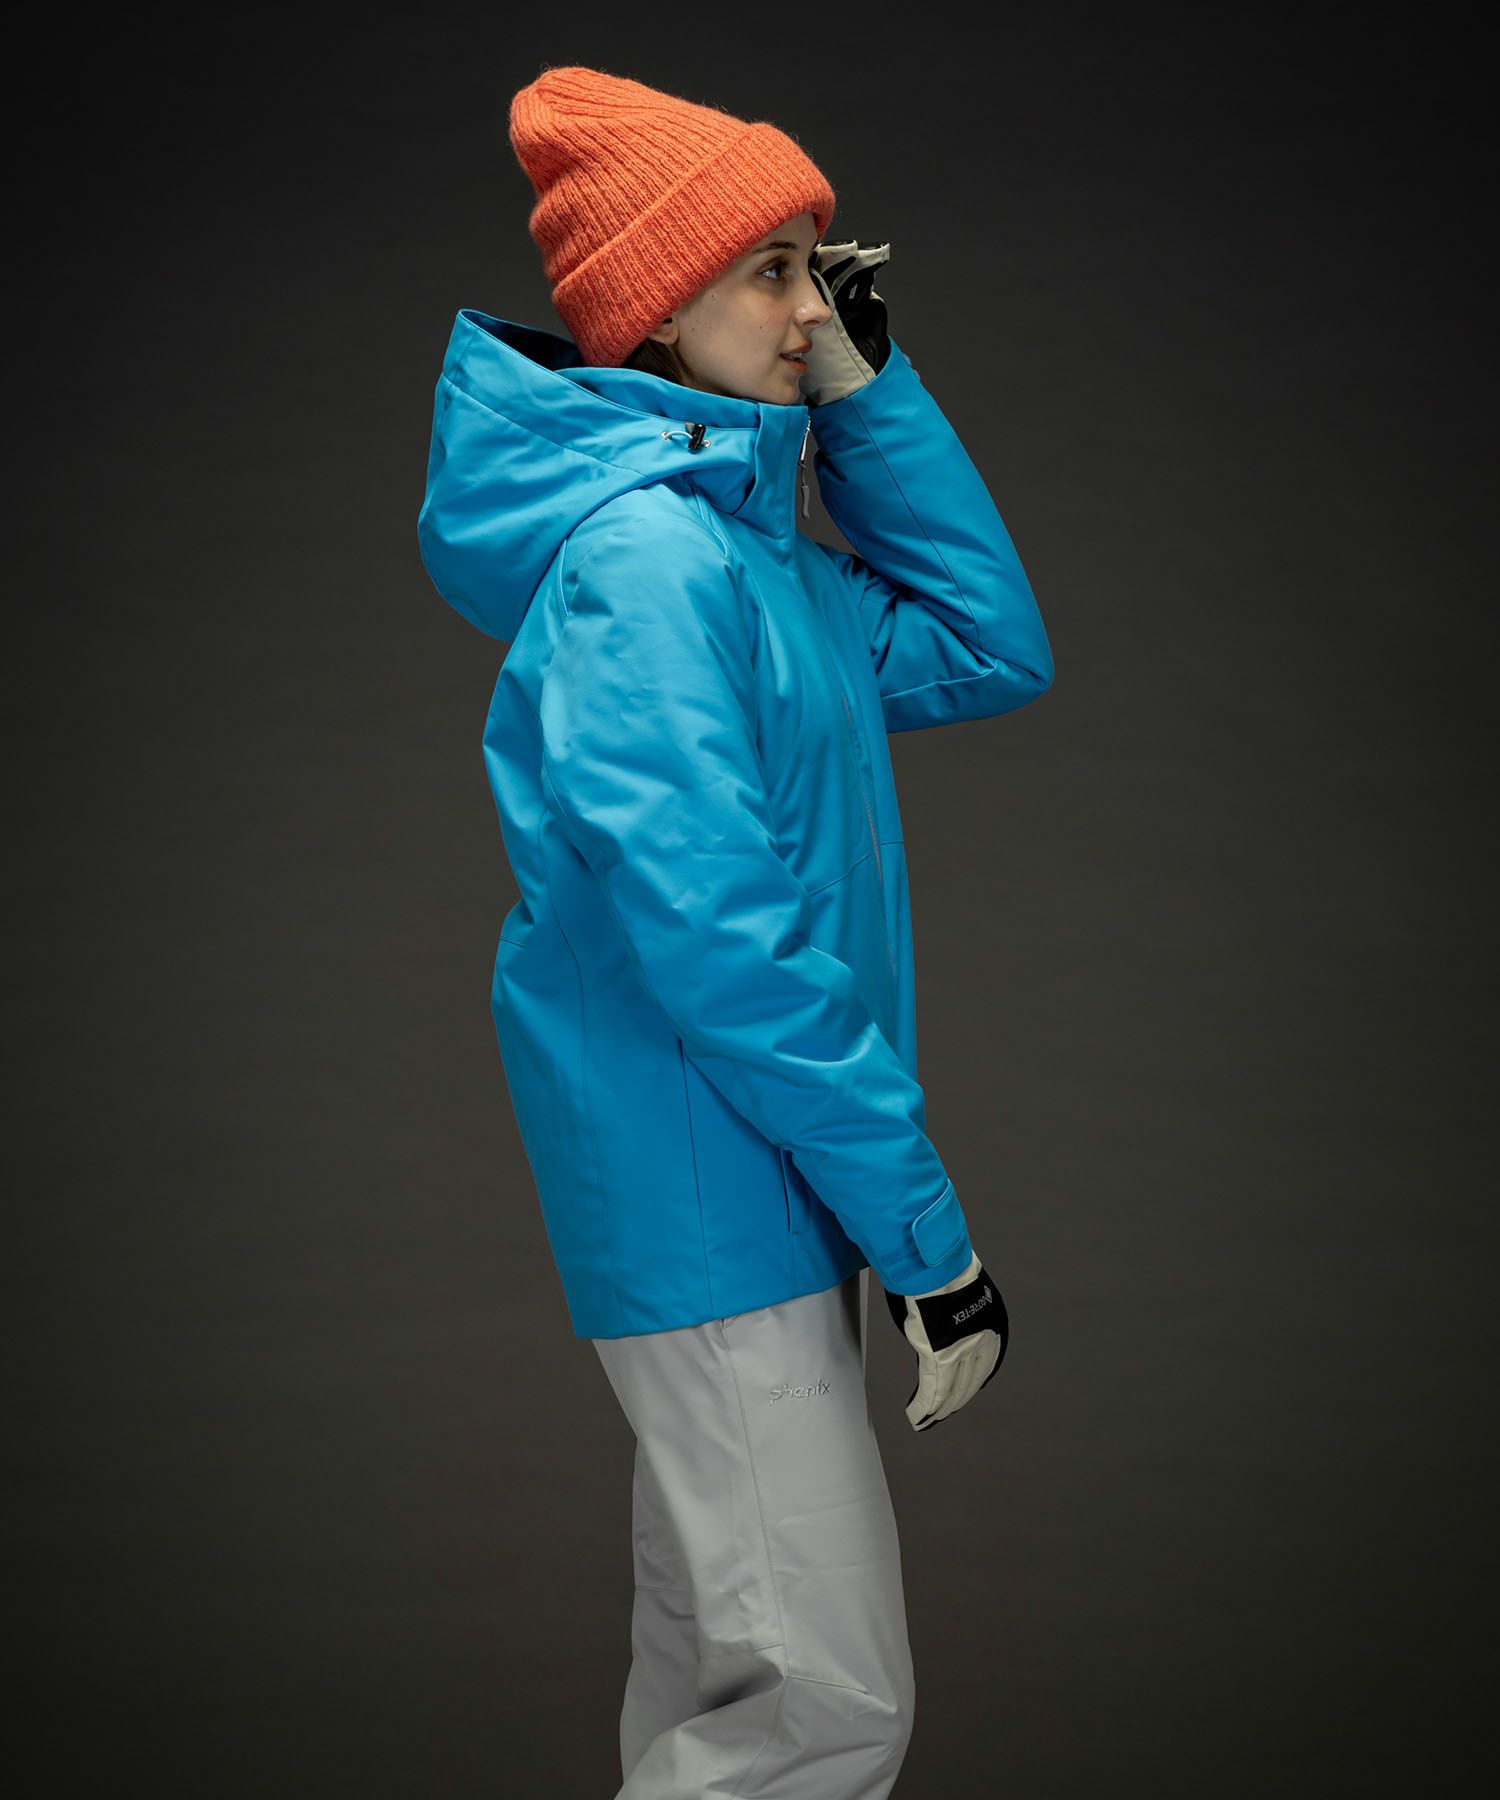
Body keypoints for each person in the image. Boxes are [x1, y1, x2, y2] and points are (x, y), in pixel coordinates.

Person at [417, 63, 1055, 1799]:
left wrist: (868, 390)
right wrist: (929, 1246)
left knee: (731, 1691)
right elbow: (727, 947)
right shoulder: (647, 573)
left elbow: (993, 642)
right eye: (772, 275)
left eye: (817, 270)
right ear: (652, 312)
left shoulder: (762, 573)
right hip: (717, 1208)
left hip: (756, 1201)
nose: (811, 312)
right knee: (815, 1720)